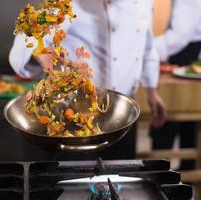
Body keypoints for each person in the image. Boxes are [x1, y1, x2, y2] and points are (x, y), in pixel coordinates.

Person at [9, 0, 167, 160]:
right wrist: (45, 56)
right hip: (70, 118)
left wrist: (152, 92)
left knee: (120, 178)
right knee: (69, 180)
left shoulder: (143, 2)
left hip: (121, 116)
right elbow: (26, 38)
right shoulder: (66, 3)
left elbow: (146, 48)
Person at [151, 0, 201, 170]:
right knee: (187, 130)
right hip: (182, 52)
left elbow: (180, 35)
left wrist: (147, 50)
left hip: (184, 55)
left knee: (166, 122)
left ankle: (163, 178)